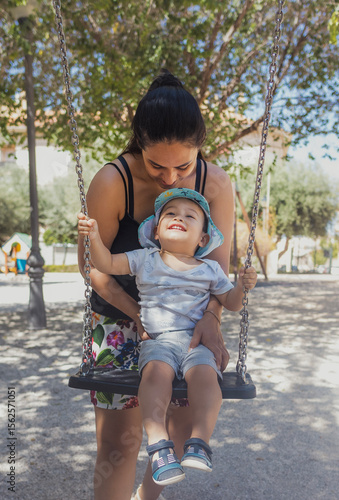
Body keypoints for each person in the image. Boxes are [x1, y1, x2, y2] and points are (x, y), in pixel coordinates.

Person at [77, 69, 257, 500]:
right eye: (157, 164)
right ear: (139, 144)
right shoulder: (111, 181)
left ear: (200, 150)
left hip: (190, 322)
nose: (171, 177)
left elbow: (217, 271)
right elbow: (93, 268)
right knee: (121, 445)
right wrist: (140, 315)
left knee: (176, 437)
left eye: (184, 165)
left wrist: (212, 319)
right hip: (119, 318)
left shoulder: (215, 184)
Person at [78, 187, 257, 487]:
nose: (179, 217)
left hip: (195, 343)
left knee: (205, 378)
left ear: (202, 238)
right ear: (157, 232)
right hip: (157, 342)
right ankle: (159, 444)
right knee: (155, 378)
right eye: (170, 214)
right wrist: (93, 237)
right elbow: (105, 264)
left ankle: (199, 441)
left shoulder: (211, 269)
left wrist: (243, 287)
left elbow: (232, 303)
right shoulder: (144, 259)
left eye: (190, 215)